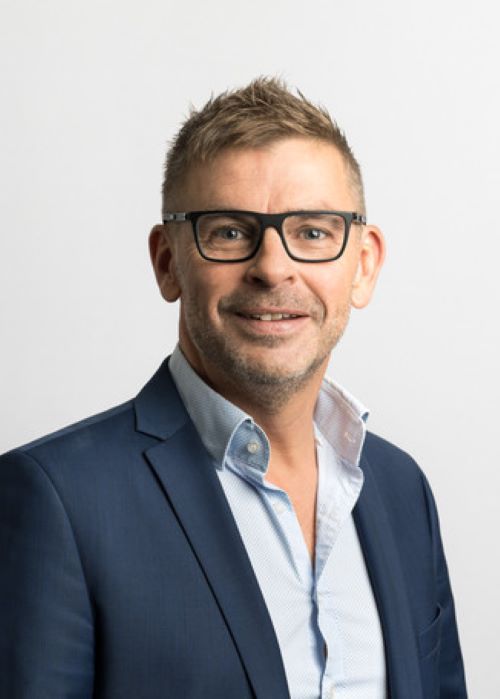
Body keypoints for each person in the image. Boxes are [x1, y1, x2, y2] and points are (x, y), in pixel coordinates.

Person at [0, 77, 467, 699]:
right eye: (228, 231)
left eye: (313, 232)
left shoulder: (401, 489)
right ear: (168, 261)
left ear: (363, 264)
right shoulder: (58, 501)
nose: (272, 267)